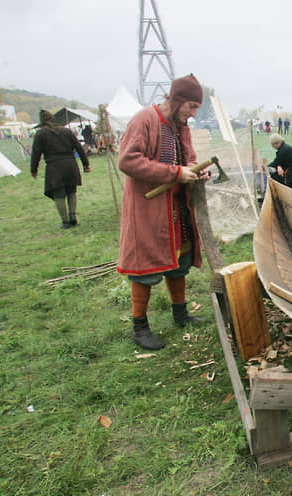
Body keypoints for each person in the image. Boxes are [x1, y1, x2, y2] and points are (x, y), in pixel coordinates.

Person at [116, 73, 208, 350]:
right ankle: (139, 327)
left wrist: (196, 170)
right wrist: (174, 173)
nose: (192, 114)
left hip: (177, 207)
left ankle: (180, 314)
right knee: (144, 266)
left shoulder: (181, 127)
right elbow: (128, 160)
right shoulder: (144, 120)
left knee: (180, 259)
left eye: (196, 108)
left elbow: (188, 159)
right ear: (177, 100)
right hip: (149, 207)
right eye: (191, 106)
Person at [30, 110, 91, 229]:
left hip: (55, 167)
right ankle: (72, 216)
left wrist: (34, 169)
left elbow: (36, 153)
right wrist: (85, 164)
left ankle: (65, 221)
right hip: (70, 165)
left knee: (59, 194)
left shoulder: (41, 134)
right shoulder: (66, 131)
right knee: (71, 191)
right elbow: (79, 148)